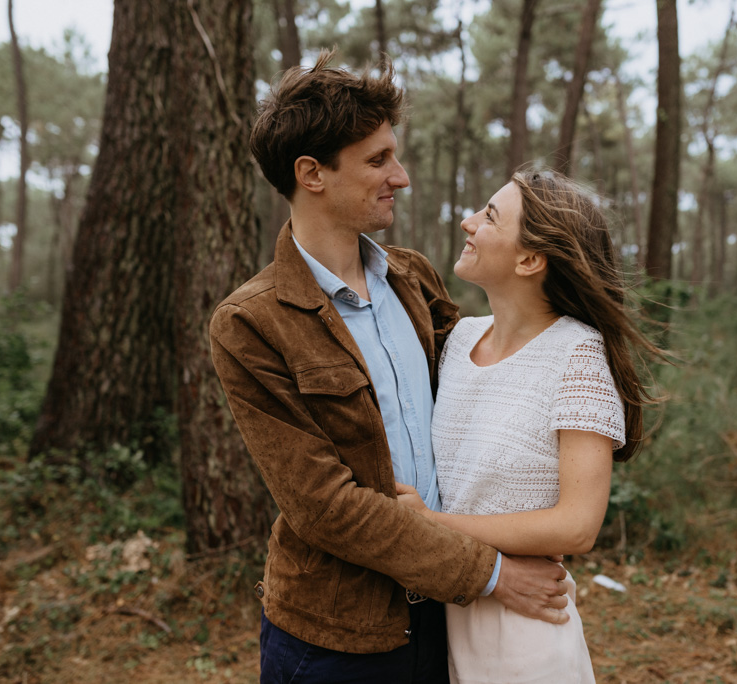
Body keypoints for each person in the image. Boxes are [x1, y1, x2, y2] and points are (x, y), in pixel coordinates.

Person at [208, 50, 570, 683]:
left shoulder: (415, 280)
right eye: (378, 160)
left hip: (448, 621)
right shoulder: (250, 325)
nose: (400, 177)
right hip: (338, 639)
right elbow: (325, 507)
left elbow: (489, 402)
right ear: (311, 173)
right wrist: (491, 573)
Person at [396, 170, 659, 683]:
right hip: (436, 624)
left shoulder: (577, 355)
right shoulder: (458, 340)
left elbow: (577, 526)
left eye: (490, 216)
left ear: (529, 259)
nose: (469, 223)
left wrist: (432, 524)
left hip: (524, 631)